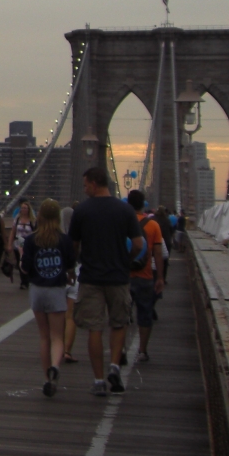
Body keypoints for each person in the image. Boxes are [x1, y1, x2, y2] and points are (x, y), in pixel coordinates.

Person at [69, 166, 144, 396]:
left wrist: (73, 266)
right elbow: (139, 244)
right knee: (119, 323)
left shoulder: (81, 211)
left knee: (94, 328)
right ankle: (114, 365)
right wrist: (126, 260)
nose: (84, 189)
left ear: (93, 183)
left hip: (91, 277)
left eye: (85, 185)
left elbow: (73, 245)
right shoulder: (125, 210)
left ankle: (99, 380)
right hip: (118, 276)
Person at [20, 199, 76, 397]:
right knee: (57, 336)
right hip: (56, 290)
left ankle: (46, 378)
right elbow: (70, 265)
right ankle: (55, 367)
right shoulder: (65, 240)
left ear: (41, 216)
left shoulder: (30, 240)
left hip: (37, 290)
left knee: (44, 336)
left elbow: (25, 268)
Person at [129, 190, 166, 363]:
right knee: (145, 314)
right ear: (143, 204)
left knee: (120, 315)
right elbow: (158, 253)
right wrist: (159, 278)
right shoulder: (153, 226)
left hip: (123, 276)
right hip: (145, 275)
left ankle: (119, 350)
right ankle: (142, 350)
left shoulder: (121, 223)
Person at [61, 203, 80, 364]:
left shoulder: (56, 237)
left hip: (58, 277)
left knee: (57, 314)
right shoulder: (78, 236)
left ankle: (57, 347)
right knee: (70, 315)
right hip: (76, 274)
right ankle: (67, 350)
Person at [12, 201, 36, 289]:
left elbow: (35, 232)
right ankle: (23, 282)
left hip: (29, 244)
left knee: (28, 261)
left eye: (25, 208)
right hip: (18, 244)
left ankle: (29, 279)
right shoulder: (17, 219)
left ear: (29, 210)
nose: (23, 210)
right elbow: (13, 231)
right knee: (20, 261)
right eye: (22, 208)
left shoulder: (32, 220)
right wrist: (9, 244)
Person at [154, 205, 174, 283]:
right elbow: (171, 230)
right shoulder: (167, 220)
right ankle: (163, 278)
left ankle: (155, 276)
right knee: (165, 261)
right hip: (166, 241)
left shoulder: (154, 219)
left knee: (155, 259)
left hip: (156, 241)